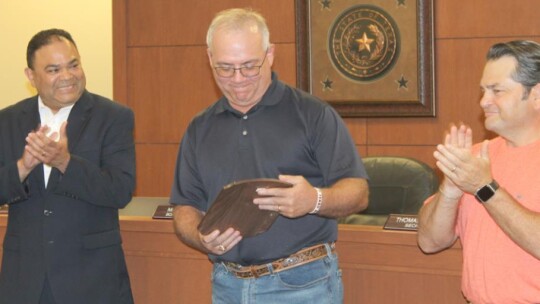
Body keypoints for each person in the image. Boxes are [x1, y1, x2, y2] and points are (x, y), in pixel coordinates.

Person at [170, 8, 369, 304]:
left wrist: (313, 200)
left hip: (303, 284)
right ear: (209, 58)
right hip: (228, 285)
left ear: (270, 54)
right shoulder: (200, 127)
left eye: (249, 66)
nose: (237, 79)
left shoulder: (313, 115)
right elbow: (185, 207)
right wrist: (200, 237)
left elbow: (359, 192)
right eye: (224, 68)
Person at [0, 29, 135, 304]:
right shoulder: (8, 120)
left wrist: (65, 162)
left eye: (73, 65)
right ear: (31, 76)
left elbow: (120, 191)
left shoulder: (113, 117)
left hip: (91, 279)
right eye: (53, 69)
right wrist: (23, 167)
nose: (68, 76)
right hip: (24, 281)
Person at [417, 40, 540, 303]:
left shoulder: (477, 174)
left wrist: (485, 187)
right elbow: (429, 242)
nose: (484, 102)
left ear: (536, 95)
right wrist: (449, 190)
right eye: (483, 91)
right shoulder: (473, 159)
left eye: (497, 90)